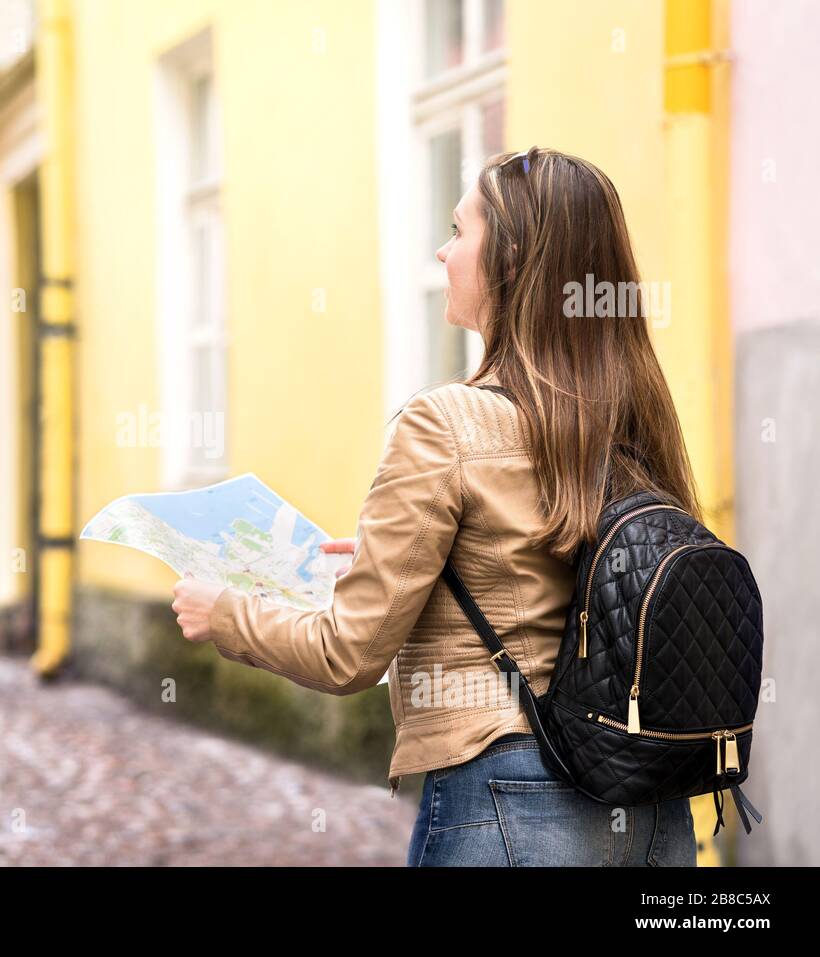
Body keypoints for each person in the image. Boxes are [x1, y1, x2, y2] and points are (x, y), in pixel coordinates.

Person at [171, 146, 700, 866]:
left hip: (509, 798)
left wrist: (222, 612)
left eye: (459, 230)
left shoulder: (444, 424)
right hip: (652, 809)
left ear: (509, 260)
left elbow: (345, 654)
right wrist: (412, 568)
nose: (443, 251)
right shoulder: (638, 417)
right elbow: (571, 579)